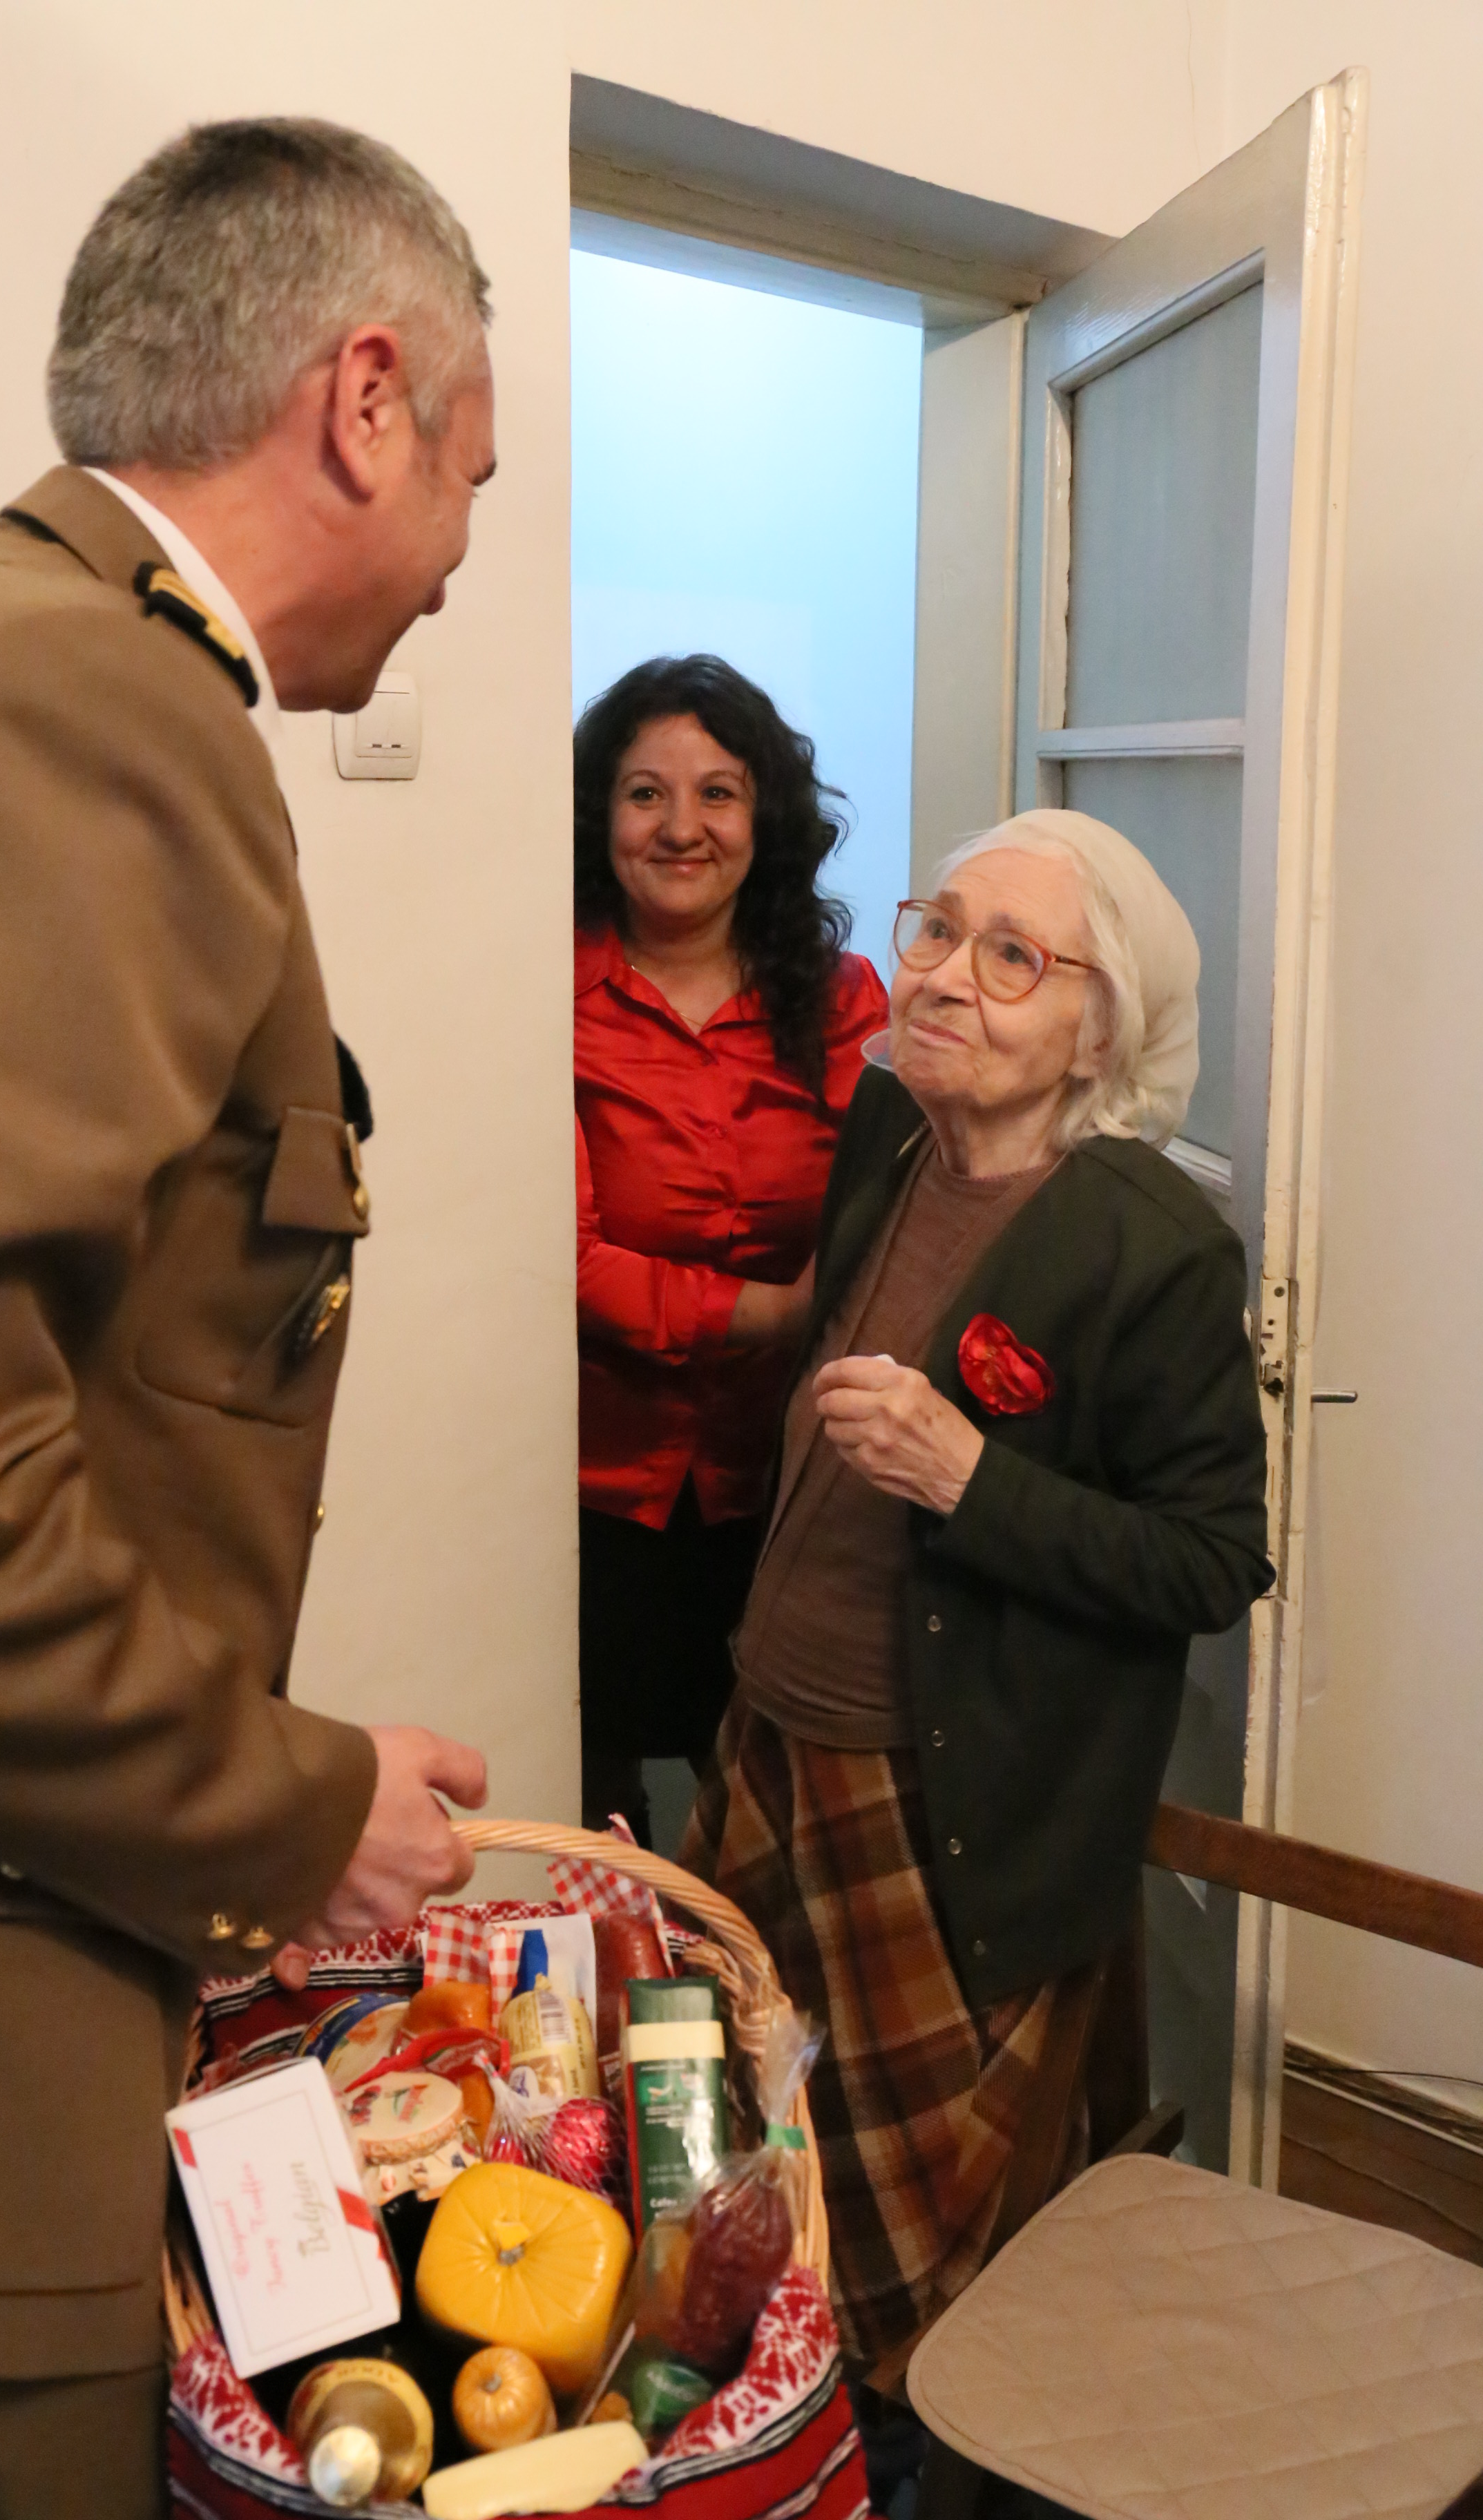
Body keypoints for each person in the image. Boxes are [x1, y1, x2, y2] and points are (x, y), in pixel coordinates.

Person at [0, 120, 497, 2518]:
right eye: (476, 477)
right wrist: (294, 1811)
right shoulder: (75, 700)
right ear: (368, 398)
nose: (464, 565)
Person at [682, 808, 1272, 2396]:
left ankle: (886, 2467)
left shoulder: (1152, 1250)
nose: (942, 977)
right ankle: (763, 2455)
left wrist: (968, 1477)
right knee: (736, 2161)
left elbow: (1214, 1562)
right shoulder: (889, 1135)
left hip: (945, 1805)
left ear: (1100, 1029)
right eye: (936, 930)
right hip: (772, 1732)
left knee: (892, 2263)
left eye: (1010, 957)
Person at [573, 656, 889, 1838]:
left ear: (767, 819)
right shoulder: (540, 992)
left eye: (719, 792)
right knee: (583, 1806)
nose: (682, 827)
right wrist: (771, 1313)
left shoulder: (849, 998)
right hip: (588, 1482)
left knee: (769, 1811)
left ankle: (756, 2025)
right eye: (645, 793)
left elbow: (891, 1202)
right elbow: (566, 1254)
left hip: (792, 1480)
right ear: (599, 815)